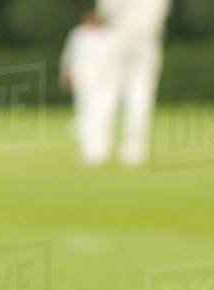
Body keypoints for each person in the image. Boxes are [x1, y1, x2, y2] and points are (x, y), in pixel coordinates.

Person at [98, 0, 173, 167]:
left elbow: (106, 9)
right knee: (141, 94)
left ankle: (99, 147)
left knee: (108, 92)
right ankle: (134, 151)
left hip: (119, 35)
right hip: (147, 37)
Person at [60, 10, 119, 166]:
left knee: (105, 113)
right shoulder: (78, 35)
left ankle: (102, 149)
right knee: (86, 114)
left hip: (107, 83)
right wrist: (66, 73)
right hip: (83, 82)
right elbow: (69, 56)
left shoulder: (111, 36)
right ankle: (90, 150)